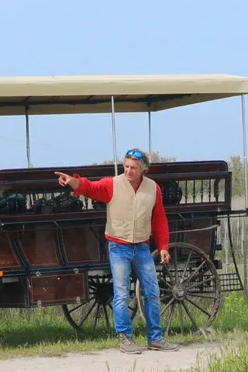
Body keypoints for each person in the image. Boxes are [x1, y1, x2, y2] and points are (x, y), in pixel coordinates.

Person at [55, 148, 180, 354]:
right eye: (126, 166)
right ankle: (125, 339)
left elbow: (159, 219)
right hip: (118, 246)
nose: (129, 171)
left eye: (133, 168)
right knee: (121, 293)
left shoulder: (153, 189)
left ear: (143, 169)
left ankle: (156, 338)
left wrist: (164, 246)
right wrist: (72, 181)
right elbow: (90, 188)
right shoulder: (112, 184)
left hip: (141, 247)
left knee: (152, 292)